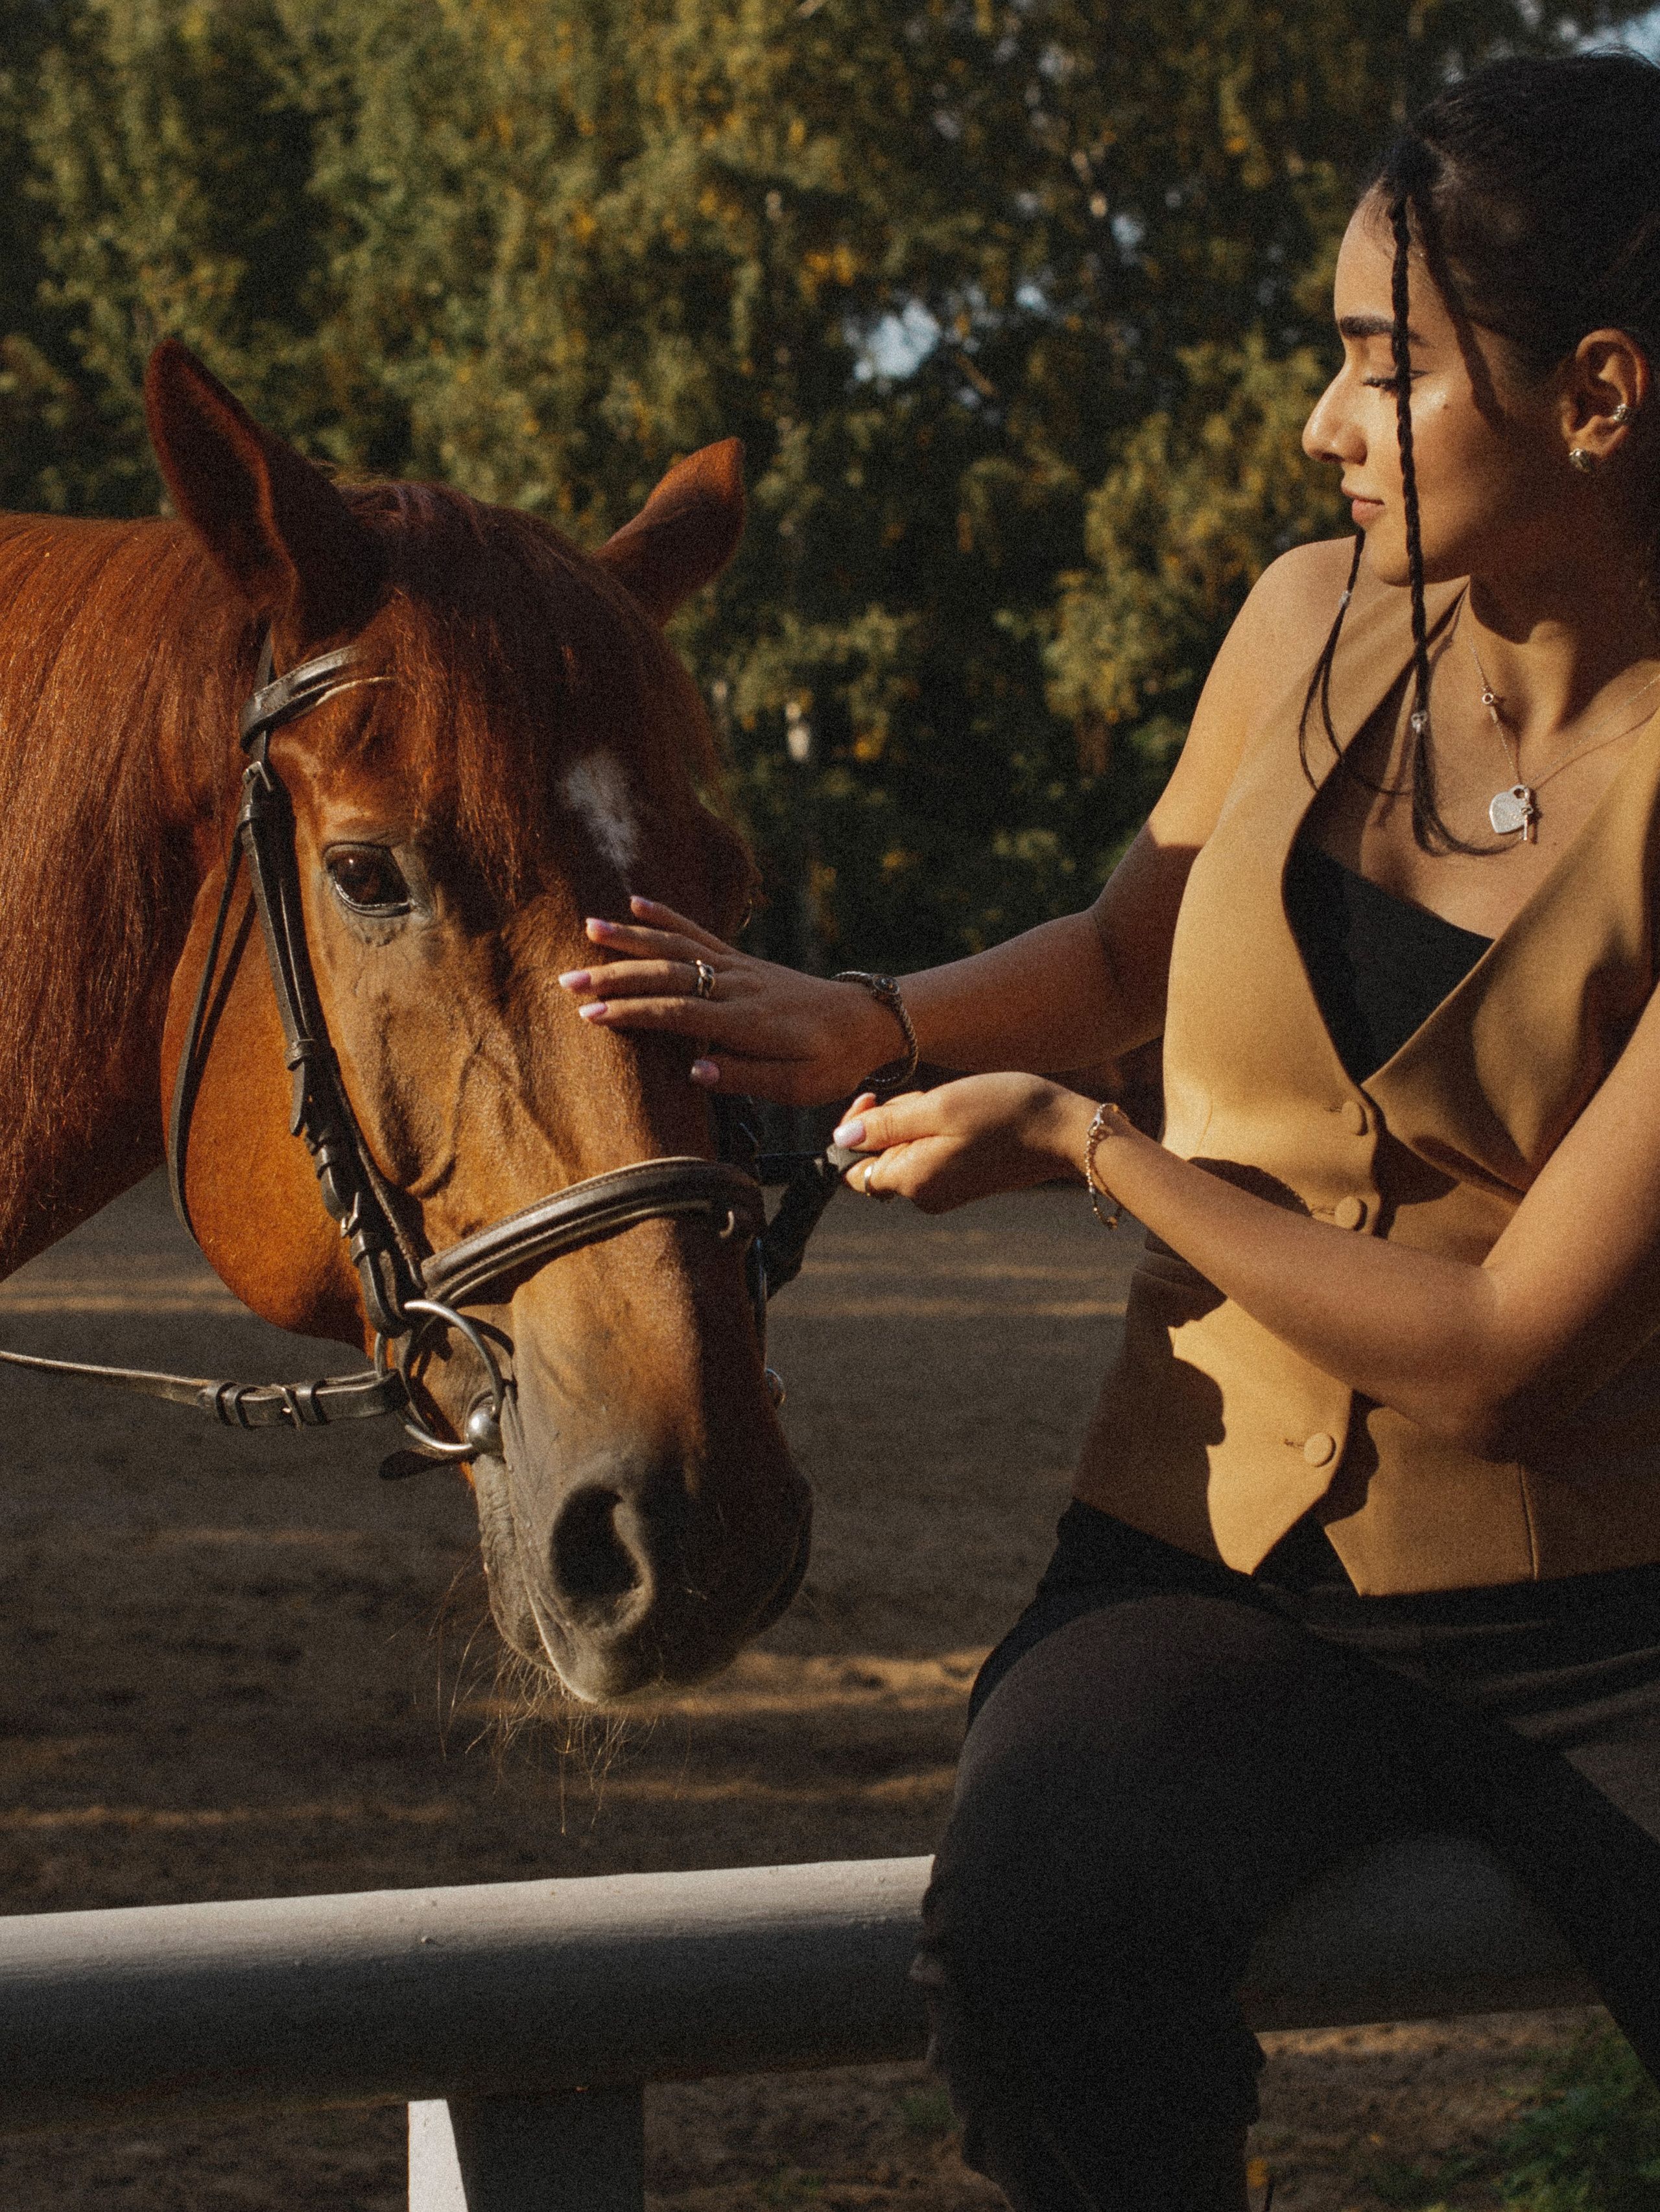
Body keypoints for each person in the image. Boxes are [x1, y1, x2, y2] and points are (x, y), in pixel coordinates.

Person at [559, 52, 1660, 2210]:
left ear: (1602, 394)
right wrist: (859, 1020)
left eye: (1387, 369)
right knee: (1038, 1931)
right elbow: (1130, 948)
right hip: (1209, 1561)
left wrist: (1094, 1155)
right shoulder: (1296, 620)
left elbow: (1516, 1345)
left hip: (1618, 1598)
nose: (1323, 425)